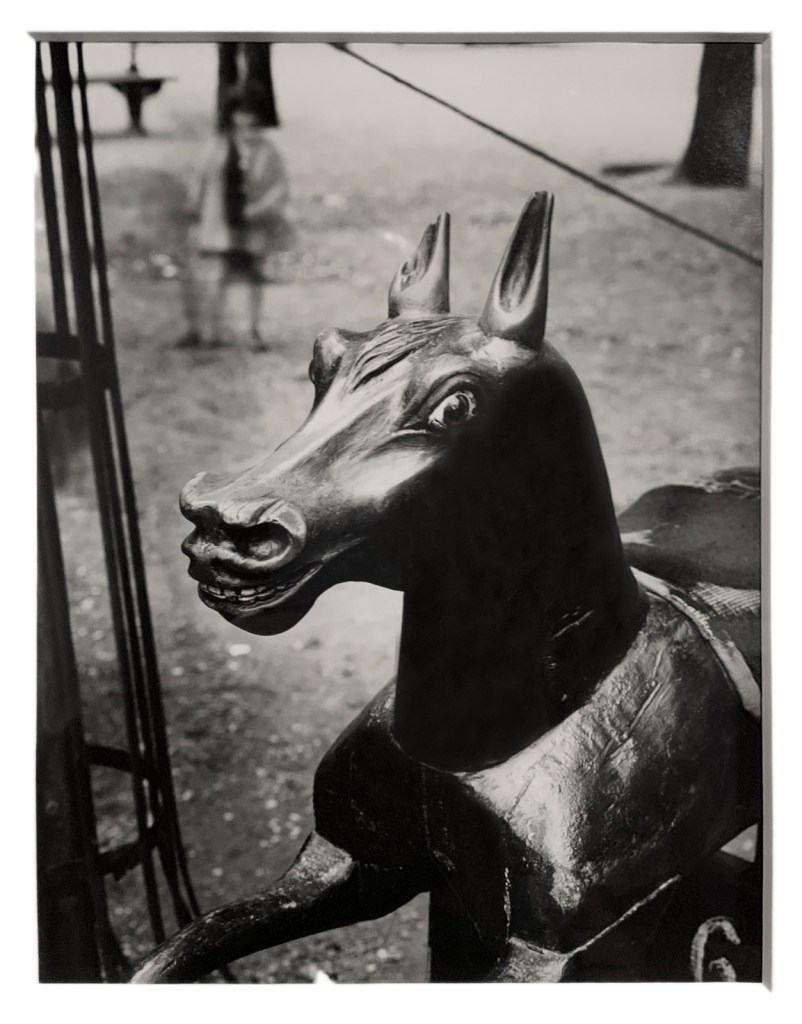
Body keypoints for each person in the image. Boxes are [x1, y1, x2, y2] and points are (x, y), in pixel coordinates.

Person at [180, 88, 292, 351]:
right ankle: (210, 331)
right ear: (232, 116)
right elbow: (201, 180)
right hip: (219, 223)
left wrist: (261, 208)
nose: (246, 121)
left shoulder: (268, 152)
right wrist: (194, 210)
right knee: (214, 275)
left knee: (253, 277)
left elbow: (280, 189)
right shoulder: (218, 147)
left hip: (253, 224)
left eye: (252, 115)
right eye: (241, 113)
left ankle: (252, 331)